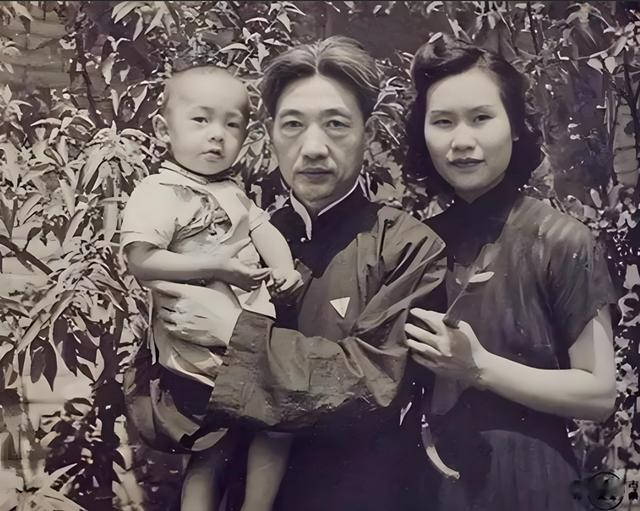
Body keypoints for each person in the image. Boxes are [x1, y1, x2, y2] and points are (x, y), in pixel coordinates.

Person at [148, 36, 447, 511]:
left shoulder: (407, 248)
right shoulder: (236, 238)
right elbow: (165, 395)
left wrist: (234, 332)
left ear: (368, 133)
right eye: (293, 125)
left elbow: (371, 387)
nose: (313, 148)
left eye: (336, 125)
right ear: (269, 134)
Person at [402, 36, 618, 510]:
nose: (462, 141)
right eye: (443, 122)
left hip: (534, 485)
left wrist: (479, 368)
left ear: (516, 127)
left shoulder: (562, 239)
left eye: (481, 118)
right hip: (430, 489)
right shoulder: (413, 243)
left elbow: (599, 394)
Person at [120, 66, 302, 511]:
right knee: (210, 453)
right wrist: (216, 265)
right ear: (163, 129)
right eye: (200, 120)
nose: (217, 135)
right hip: (194, 352)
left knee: (277, 428)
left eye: (231, 124)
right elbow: (141, 260)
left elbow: (264, 231)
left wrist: (283, 268)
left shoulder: (233, 192)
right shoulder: (159, 191)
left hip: (243, 339)